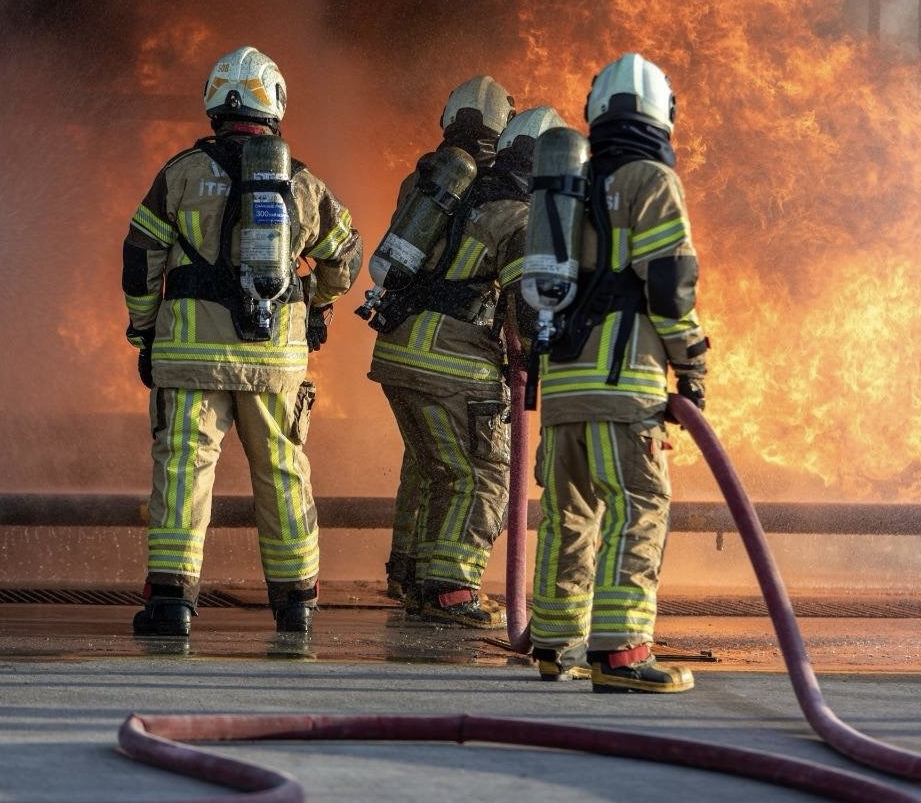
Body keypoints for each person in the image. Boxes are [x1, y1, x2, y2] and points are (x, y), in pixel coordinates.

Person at [121, 45, 362, 637]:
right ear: (274, 104)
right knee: (281, 469)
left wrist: (143, 328)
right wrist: (318, 303)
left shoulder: (178, 173)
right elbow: (347, 256)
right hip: (272, 358)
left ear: (214, 103)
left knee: (182, 470)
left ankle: (171, 603)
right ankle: (296, 603)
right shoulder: (301, 182)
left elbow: (139, 256)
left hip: (189, 356)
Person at [528, 52, 709, 692]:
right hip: (623, 381)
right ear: (663, 112)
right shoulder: (650, 180)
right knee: (638, 506)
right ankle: (622, 652)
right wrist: (691, 361)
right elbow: (669, 283)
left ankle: (553, 642)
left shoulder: (567, 186)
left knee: (567, 514)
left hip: (563, 386)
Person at [365, 75, 521, 629]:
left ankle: (410, 576)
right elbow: (523, 303)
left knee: (429, 466)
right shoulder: (511, 208)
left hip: (397, 348)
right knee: (477, 474)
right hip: (455, 362)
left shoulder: (424, 182)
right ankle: (452, 588)